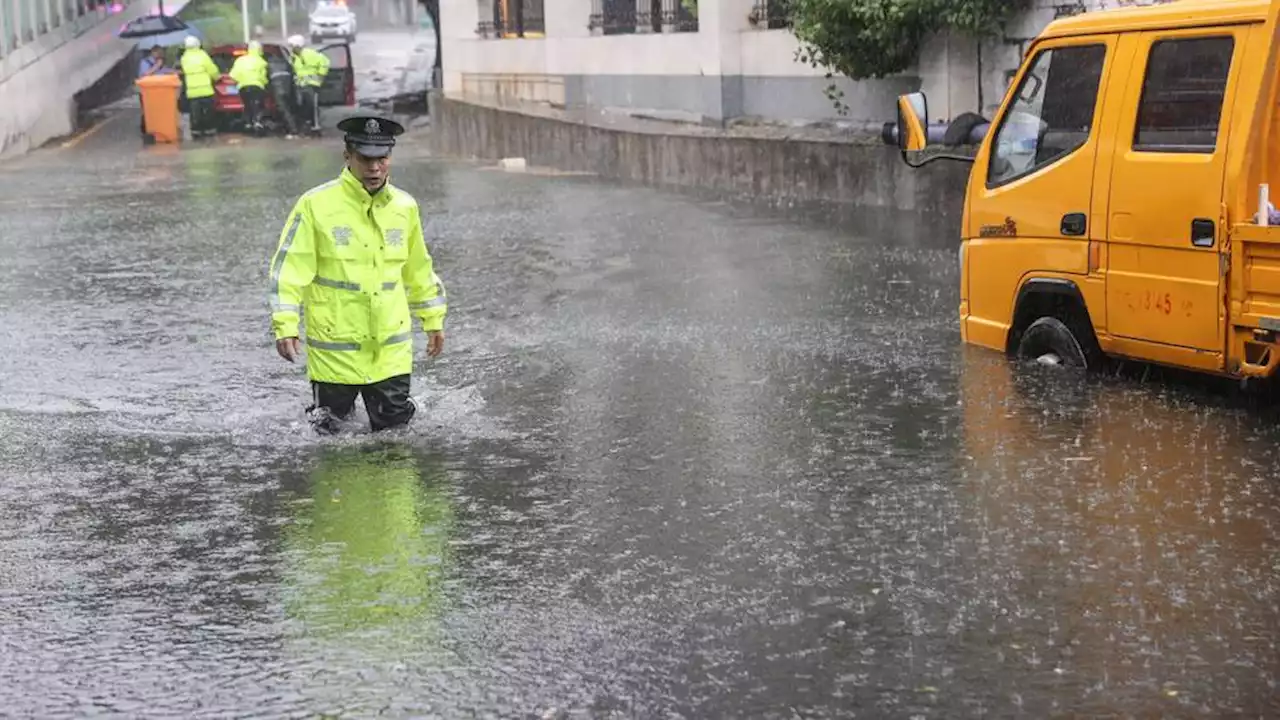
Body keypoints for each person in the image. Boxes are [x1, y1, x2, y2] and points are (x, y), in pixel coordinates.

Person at [267, 116, 448, 434]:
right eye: (365, 158)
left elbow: (419, 268)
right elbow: (289, 270)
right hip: (336, 351)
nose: (375, 167)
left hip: (390, 350)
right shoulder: (315, 205)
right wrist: (286, 326)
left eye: (382, 158)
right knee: (331, 437)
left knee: (396, 438)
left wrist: (433, 319)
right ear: (347, 156)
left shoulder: (405, 207)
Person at [179, 35, 221, 138]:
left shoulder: (184, 58)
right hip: (205, 90)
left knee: (195, 114)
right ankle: (209, 131)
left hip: (192, 92)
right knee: (208, 113)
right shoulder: (203, 56)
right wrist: (217, 78)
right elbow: (212, 70)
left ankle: (196, 132)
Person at [287, 35, 330, 134]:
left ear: (297, 45)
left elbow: (325, 62)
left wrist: (321, 75)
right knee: (304, 106)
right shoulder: (293, 58)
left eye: (291, 46)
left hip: (312, 84)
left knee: (312, 106)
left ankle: (316, 126)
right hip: (301, 85)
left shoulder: (310, 54)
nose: (290, 48)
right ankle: (308, 124)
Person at [229, 41, 269, 135]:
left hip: (243, 87)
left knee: (247, 105)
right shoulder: (261, 62)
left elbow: (233, 75)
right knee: (257, 106)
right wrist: (264, 84)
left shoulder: (240, 60)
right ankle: (257, 123)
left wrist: (241, 81)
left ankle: (248, 124)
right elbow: (264, 77)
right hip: (257, 86)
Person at [136, 44, 174, 135]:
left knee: (158, 111)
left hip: (158, 91)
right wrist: (156, 66)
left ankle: (159, 129)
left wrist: (175, 72)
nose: (161, 55)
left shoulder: (159, 63)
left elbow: (164, 71)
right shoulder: (145, 62)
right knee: (147, 111)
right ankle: (146, 131)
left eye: (162, 53)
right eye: (159, 53)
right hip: (146, 92)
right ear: (153, 52)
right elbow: (145, 75)